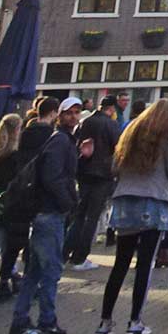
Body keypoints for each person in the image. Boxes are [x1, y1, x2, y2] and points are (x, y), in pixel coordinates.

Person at [92, 100, 168, 334]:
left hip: (125, 201)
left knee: (120, 264)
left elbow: (115, 166)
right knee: (144, 264)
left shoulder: (131, 131)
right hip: (153, 200)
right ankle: (135, 321)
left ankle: (104, 322)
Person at [6, 95, 85, 334]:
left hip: (46, 212)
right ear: (59, 115)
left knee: (35, 271)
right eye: (69, 112)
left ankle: (20, 320)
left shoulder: (62, 140)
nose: (73, 116)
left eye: (77, 112)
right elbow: (52, 176)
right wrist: (67, 202)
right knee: (50, 270)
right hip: (50, 213)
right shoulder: (60, 140)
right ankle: (46, 321)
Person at [64, 96, 119, 267]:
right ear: (111, 108)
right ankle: (80, 257)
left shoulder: (85, 122)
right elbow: (118, 147)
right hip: (103, 174)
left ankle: (64, 252)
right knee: (92, 217)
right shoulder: (111, 124)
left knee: (80, 215)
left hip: (84, 171)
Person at [0, 112, 25, 301]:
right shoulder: (15, 156)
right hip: (8, 205)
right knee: (9, 246)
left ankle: (11, 277)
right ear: (16, 131)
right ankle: (6, 280)